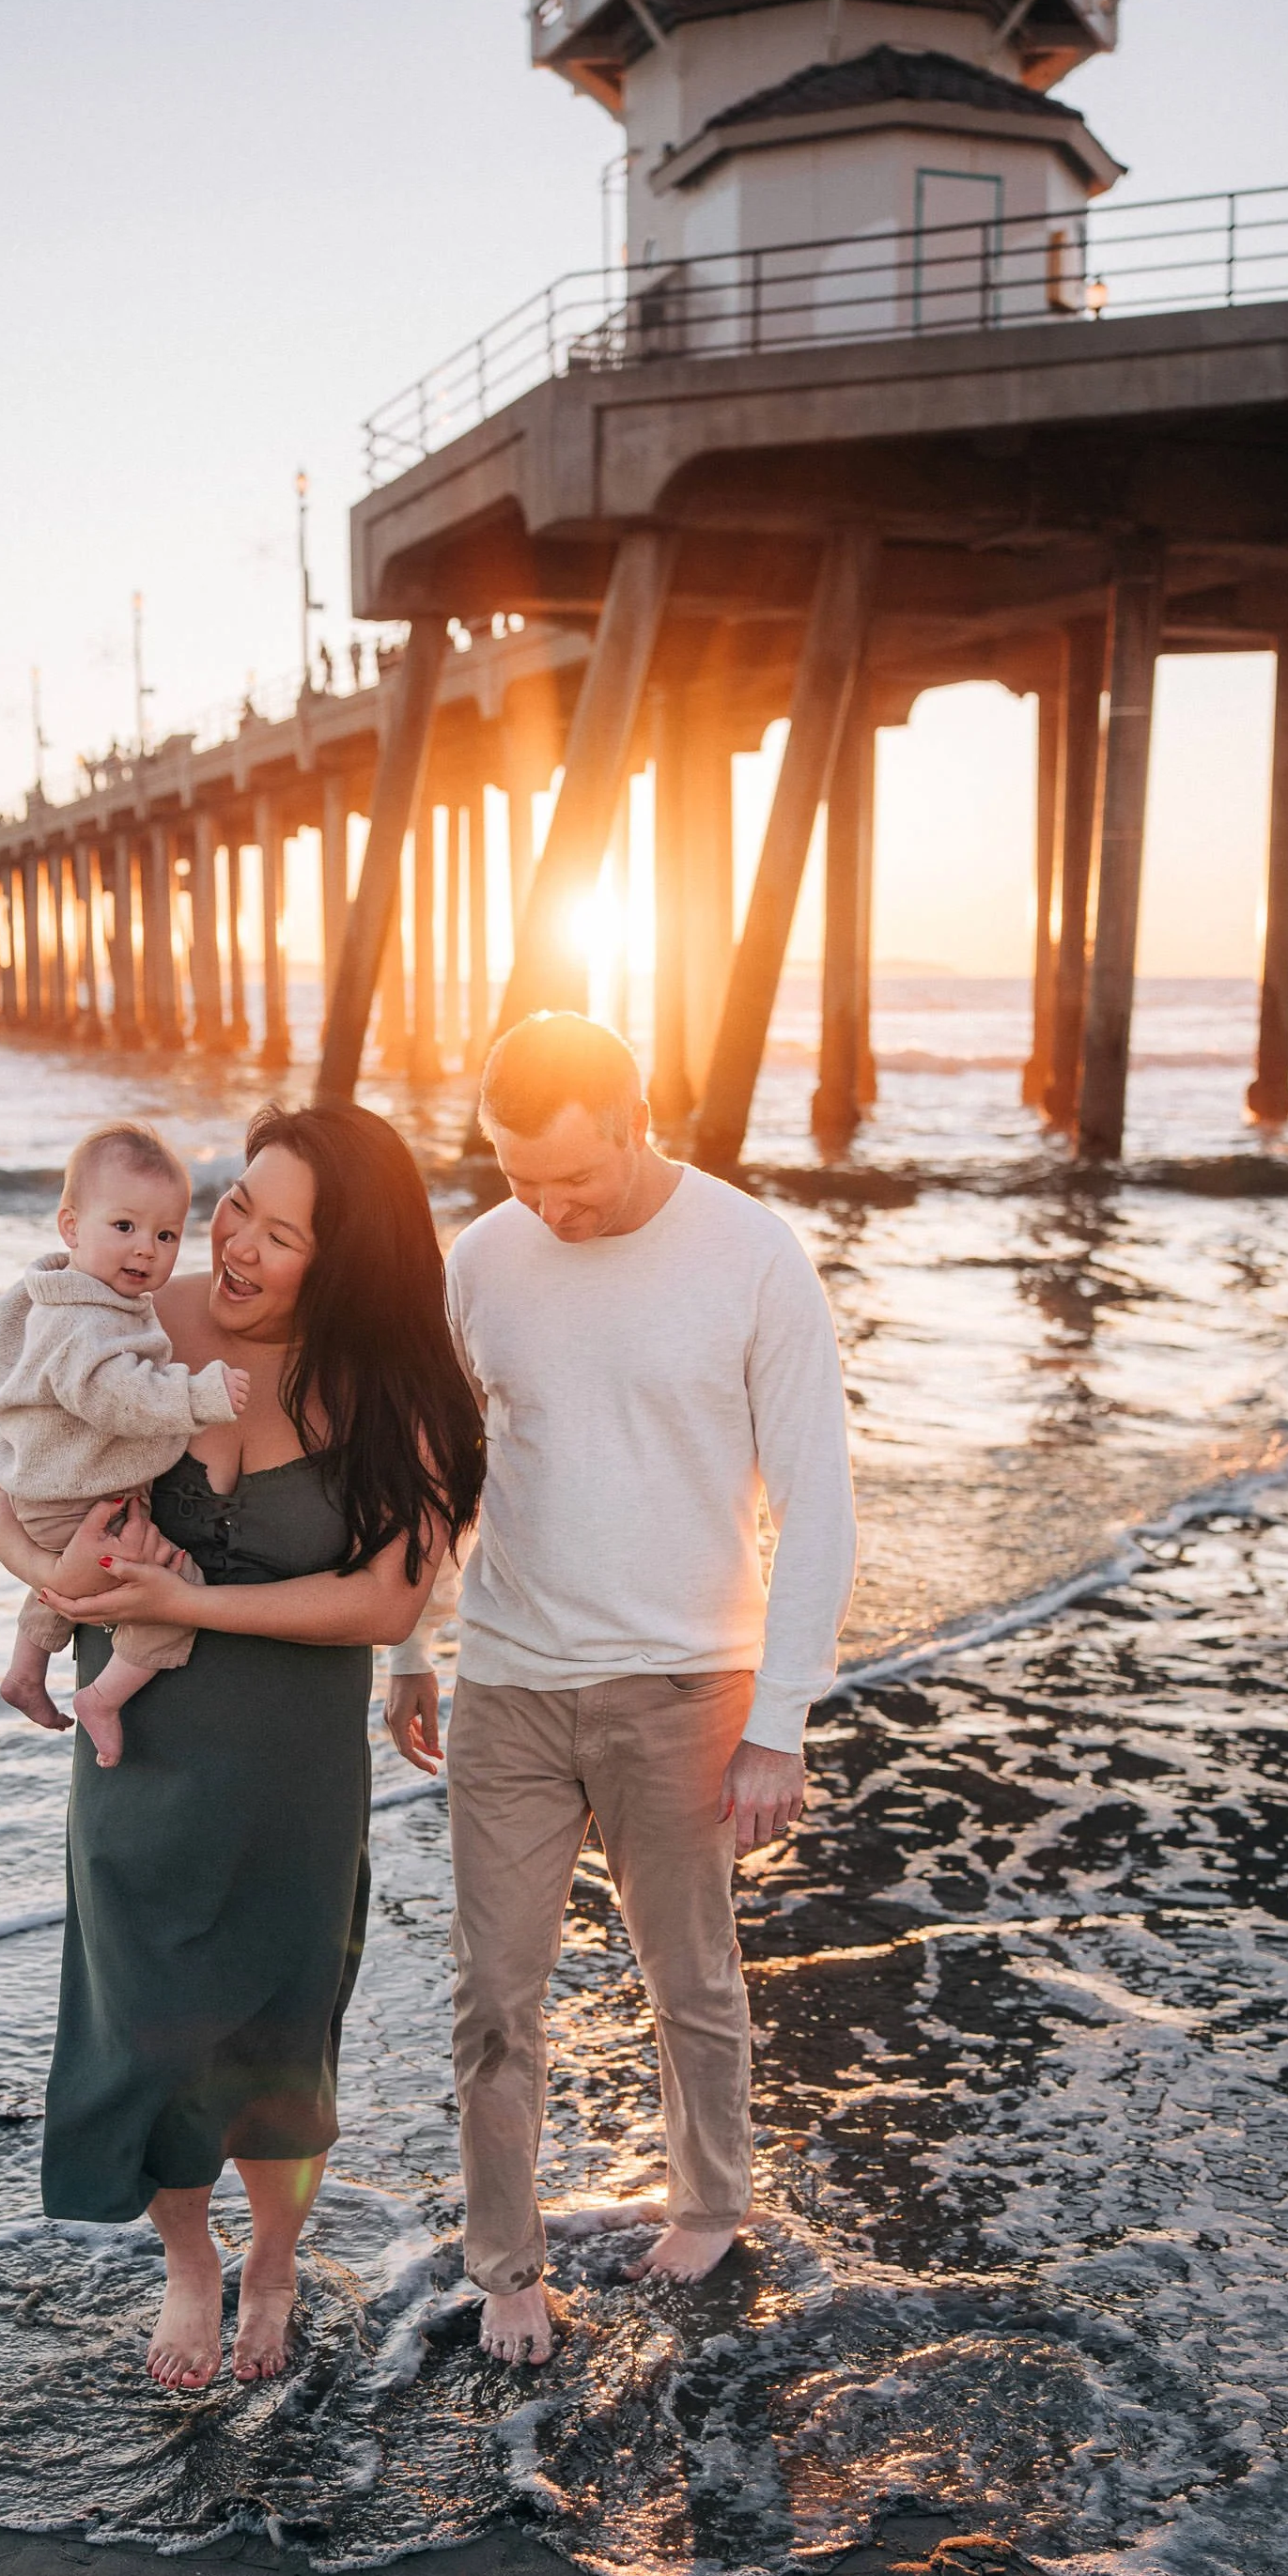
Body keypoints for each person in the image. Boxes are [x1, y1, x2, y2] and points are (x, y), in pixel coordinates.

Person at [0, 1102, 486, 2393]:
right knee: (146, 2026)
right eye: (238, 1209)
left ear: (351, 1262)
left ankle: (274, 2254)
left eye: (284, 1234)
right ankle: (192, 2264)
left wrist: (180, 1602)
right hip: (139, 1757)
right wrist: (63, 1585)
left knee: (278, 2037)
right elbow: (6, 1485)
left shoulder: (402, 1391)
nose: (240, 1247)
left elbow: (384, 1601)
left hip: (291, 1771)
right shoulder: (137, 1318)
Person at [385, 1013, 856, 2367]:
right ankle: (506, 2263)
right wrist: (412, 1642)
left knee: (689, 1974)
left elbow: (817, 1500)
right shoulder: (488, 1257)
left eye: (572, 1179)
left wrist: (781, 1722)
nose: (547, 1206)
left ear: (637, 1125)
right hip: (515, 1680)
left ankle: (710, 2199)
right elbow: (441, 1473)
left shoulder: (751, 1253)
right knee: (494, 1993)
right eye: (520, 1178)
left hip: (686, 1679)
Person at [0, 1119, 249, 1768]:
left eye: (165, 1235)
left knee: (70, 1573)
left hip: (50, 1494)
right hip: (76, 1497)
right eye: (124, 1227)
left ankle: (25, 1669)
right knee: (172, 1586)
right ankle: (102, 1699)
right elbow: (113, 1393)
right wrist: (199, 1395)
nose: (146, 1251)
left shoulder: (65, 1298)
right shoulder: (86, 1321)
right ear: (71, 1227)